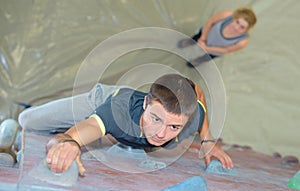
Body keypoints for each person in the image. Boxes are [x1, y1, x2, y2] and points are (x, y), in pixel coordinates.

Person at [18, 74, 233, 175]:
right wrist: (69, 143)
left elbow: (200, 97)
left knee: (102, 146)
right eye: (156, 119)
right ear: (147, 103)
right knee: (27, 121)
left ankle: (115, 139)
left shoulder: (191, 118)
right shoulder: (117, 112)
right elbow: (70, 138)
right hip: (103, 100)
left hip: (119, 130)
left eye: (173, 127)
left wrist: (208, 141)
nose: (161, 133)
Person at [178, 7, 257, 67]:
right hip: (204, 34)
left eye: (242, 27)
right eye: (237, 22)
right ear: (235, 18)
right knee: (195, 38)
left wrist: (207, 48)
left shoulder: (242, 41)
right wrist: (203, 38)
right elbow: (210, 22)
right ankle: (189, 42)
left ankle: (198, 61)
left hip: (214, 51)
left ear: (247, 29)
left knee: (206, 57)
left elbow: (226, 50)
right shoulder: (226, 15)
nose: (236, 28)